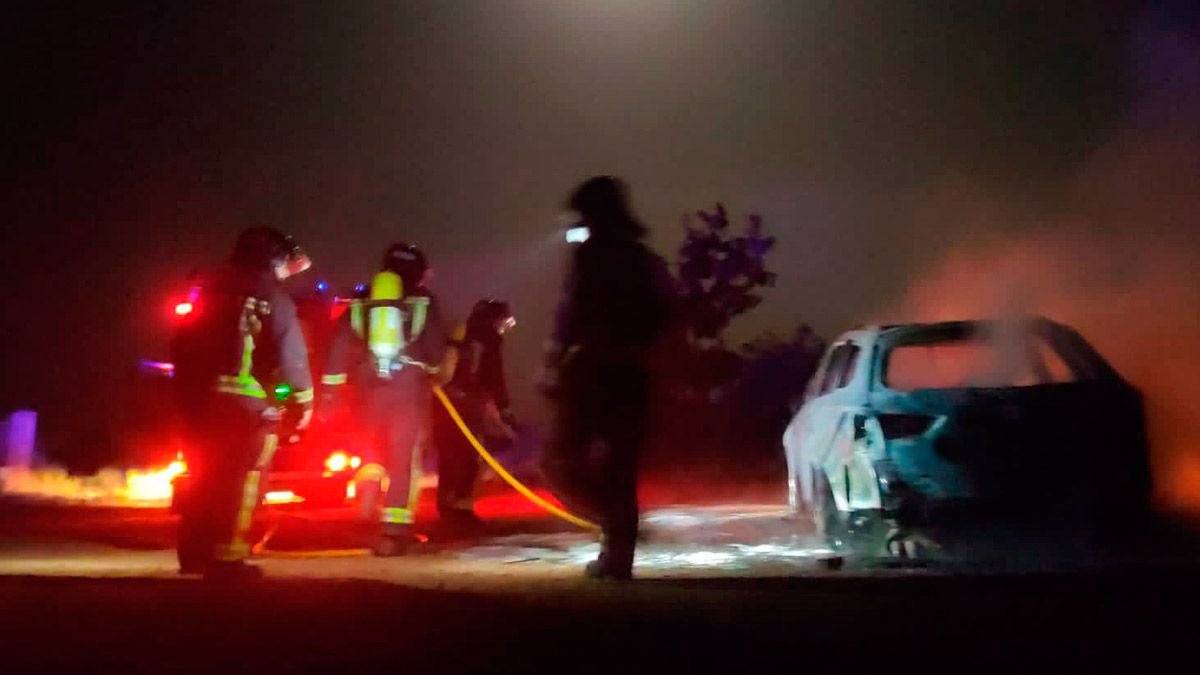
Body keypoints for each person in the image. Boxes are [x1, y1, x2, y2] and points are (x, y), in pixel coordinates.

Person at [539, 176, 676, 580]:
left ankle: (616, 539)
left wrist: (552, 365)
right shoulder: (643, 259)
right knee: (620, 470)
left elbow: (570, 313)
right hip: (633, 374)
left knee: (558, 462)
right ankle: (618, 552)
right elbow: (667, 313)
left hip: (596, 372)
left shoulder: (592, 257)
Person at [170, 227, 315, 580]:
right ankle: (228, 557)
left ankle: (193, 553)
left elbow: (181, 347)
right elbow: (292, 359)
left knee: (203, 475)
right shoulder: (275, 300)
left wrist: (187, 401)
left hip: (202, 405)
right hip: (248, 408)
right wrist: (303, 404)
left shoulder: (206, 291)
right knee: (243, 480)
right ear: (273, 260)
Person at [321, 242, 449, 555]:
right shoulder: (422, 302)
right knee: (402, 460)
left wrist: (331, 390)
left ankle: (366, 503)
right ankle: (395, 530)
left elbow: (338, 347)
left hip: (366, 392)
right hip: (407, 391)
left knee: (370, 451)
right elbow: (435, 352)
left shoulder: (362, 302)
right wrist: (432, 370)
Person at [432, 299, 518, 527]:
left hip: (443, 404)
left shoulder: (460, 335)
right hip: (468, 406)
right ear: (496, 320)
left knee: (448, 456)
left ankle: (445, 506)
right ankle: (462, 511)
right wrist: (505, 413)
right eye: (506, 320)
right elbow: (493, 379)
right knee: (469, 457)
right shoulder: (489, 340)